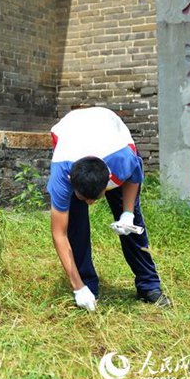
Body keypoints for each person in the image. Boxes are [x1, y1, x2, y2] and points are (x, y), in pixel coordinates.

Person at [47, 107, 170, 311]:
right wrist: (77, 288)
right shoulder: (61, 174)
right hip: (69, 133)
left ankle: (149, 285)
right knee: (76, 228)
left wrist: (128, 213)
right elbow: (59, 233)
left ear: (110, 181)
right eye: (85, 198)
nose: (91, 204)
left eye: (95, 198)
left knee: (132, 226)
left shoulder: (123, 159)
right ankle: (87, 287)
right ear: (71, 182)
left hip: (110, 133)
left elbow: (134, 178)